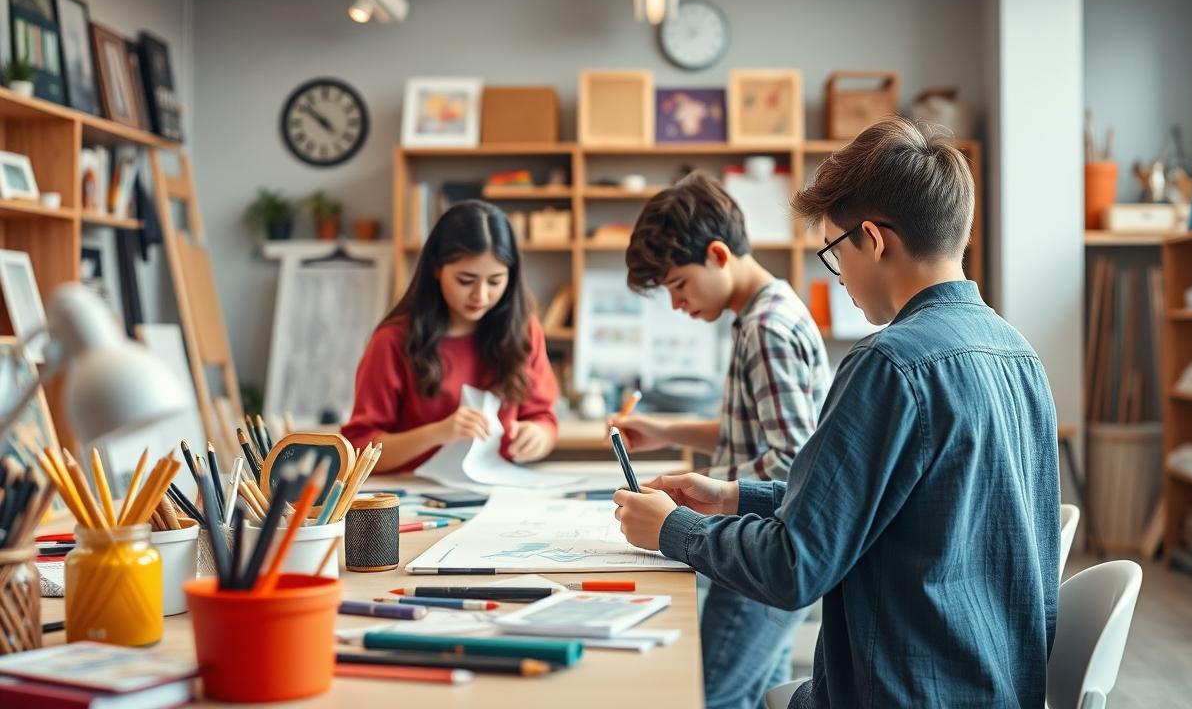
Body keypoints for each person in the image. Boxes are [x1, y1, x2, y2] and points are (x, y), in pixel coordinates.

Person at [613, 118, 1061, 708]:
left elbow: (795, 567)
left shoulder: (888, 363)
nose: (838, 274)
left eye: (833, 252)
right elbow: (889, 508)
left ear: (872, 240)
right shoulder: (1021, 357)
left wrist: (672, 530)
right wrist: (735, 498)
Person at [615, 171, 830, 709]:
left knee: (714, 695)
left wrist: (704, 496)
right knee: (758, 694)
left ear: (717, 255)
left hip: (757, 554)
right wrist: (664, 429)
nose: (676, 304)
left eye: (679, 285)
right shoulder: (764, 312)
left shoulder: (766, 329)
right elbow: (751, 431)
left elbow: (792, 462)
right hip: (759, 546)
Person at [342, 200, 559, 472]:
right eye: (465, 280)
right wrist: (438, 433)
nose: (480, 295)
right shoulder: (392, 340)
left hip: (500, 488)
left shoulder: (523, 330)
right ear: (437, 268)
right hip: (414, 490)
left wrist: (539, 436)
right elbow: (359, 448)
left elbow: (544, 419)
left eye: (495, 281)